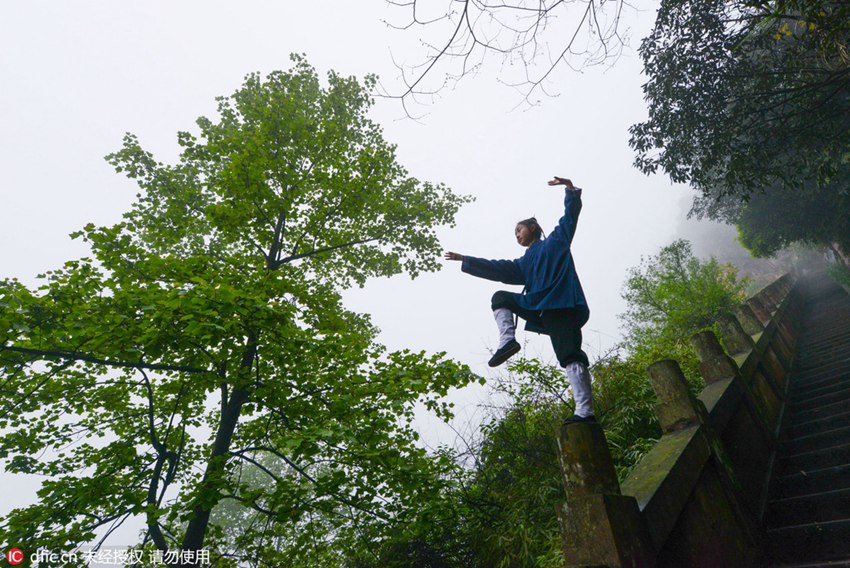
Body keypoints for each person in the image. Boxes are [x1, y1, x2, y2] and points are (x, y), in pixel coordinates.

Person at [445, 176, 595, 423]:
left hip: (561, 306)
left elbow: (570, 217)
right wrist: (466, 260)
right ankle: (508, 341)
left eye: (519, 230)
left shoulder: (556, 241)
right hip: (537, 307)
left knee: (569, 354)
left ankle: (585, 412)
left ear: (533, 228)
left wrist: (570, 189)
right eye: (514, 233)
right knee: (501, 297)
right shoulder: (525, 262)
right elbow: (498, 268)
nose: (516, 235)